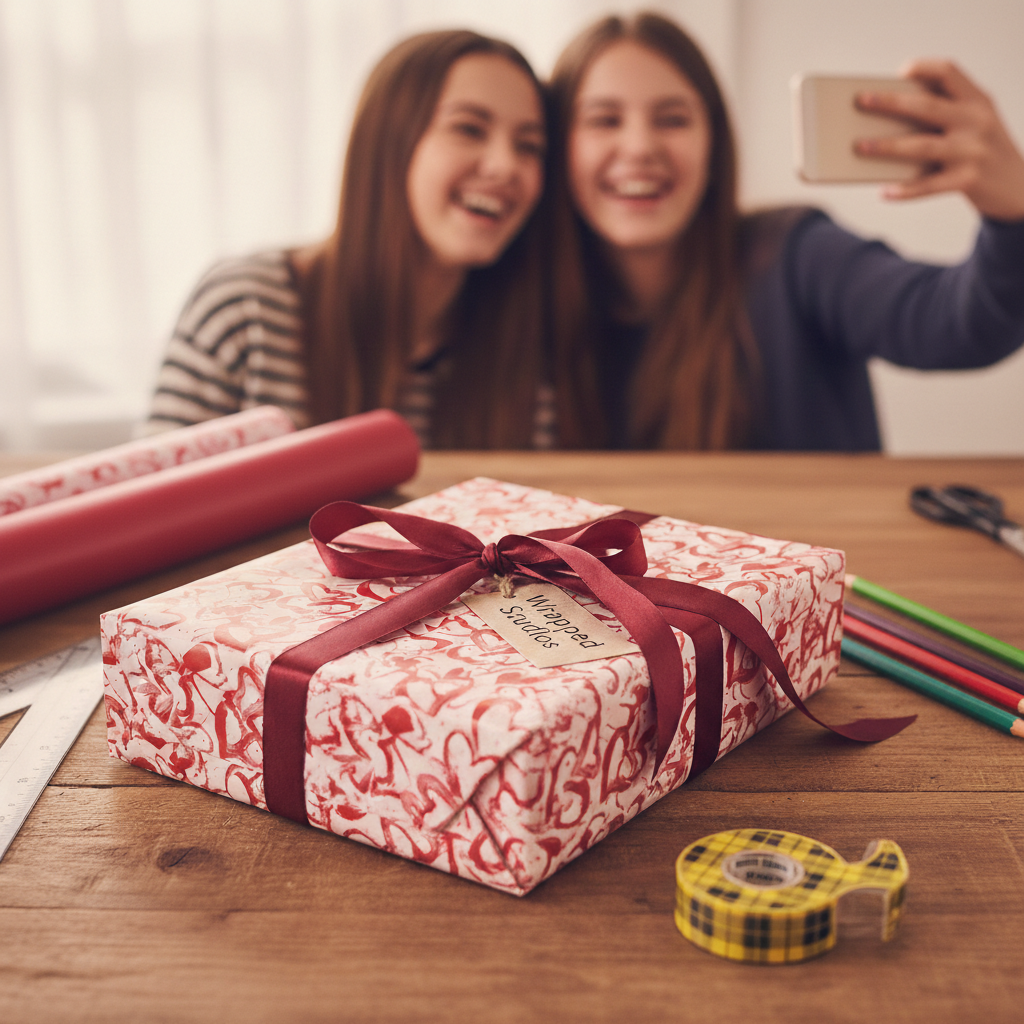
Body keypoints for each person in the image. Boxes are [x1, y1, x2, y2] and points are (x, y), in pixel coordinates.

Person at [545, 12, 1024, 450]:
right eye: (604, 120)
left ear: (714, 148)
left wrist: (1014, 214)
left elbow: (961, 327)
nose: (640, 146)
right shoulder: (530, 303)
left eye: (673, 119)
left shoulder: (796, 255)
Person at [146, 30, 551, 449]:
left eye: (530, 146)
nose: (506, 165)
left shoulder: (528, 340)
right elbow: (150, 502)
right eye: (468, 128)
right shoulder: (244, 307)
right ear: (386, 143)